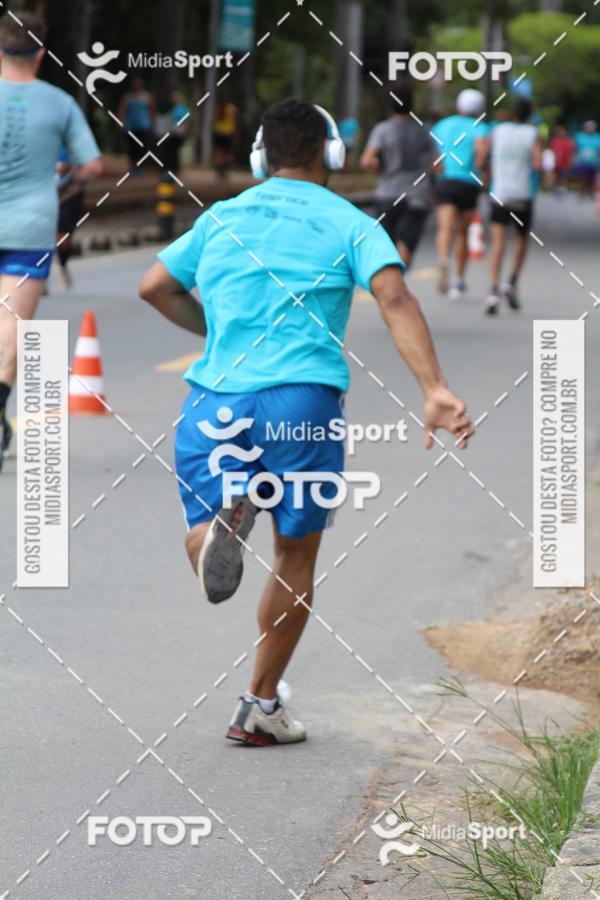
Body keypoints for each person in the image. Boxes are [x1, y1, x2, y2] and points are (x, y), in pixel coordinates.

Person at [139, 98, 474, 746]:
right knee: (294, 555)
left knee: (204, 529)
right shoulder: (351, 222)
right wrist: (433, 389)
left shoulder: (222, 216)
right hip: (302, 406)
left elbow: (154, 286)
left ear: (260, 157)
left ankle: (214, 533)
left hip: (214, 402)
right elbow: (394, 297)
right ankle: (259, 706)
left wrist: (218, 333)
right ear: (332, 154)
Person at [0, 13, 102, 471]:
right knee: (11, 326)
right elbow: (92, 165)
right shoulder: (60, 103)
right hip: (31, 228)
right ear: (42, 54)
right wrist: (61, 182)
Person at [360, 85, 435, 270]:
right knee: (407, 243)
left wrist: (376, 166)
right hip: (417, 195)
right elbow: (437, 164)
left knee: (387, 244)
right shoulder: (424, 130)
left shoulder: (382, 130)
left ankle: (391, 278)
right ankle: (399, 276)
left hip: (387, 193)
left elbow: (367, 160)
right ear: (412, 104)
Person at [482, 97, 541, 315]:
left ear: (512, 113)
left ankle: (493, 290)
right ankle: (512, 282)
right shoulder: (533, 133)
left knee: (498, 243)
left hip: (500, 194)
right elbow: (537, 163)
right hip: (523, 194)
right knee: (521, 240)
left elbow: (482, 158)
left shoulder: (497, 131)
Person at [431, 89, 488, 300]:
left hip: (445, 180)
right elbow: (481, 155)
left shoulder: (442, 125)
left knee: (445, 228)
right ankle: (458, 279)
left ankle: (443, 258)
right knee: (463, 232)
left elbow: (432, 153)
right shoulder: (480, 127)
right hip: (468, 183)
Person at [118, 77, 155, 171]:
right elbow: (122, 110)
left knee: (141, 147)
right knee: (131, 147)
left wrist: (152, 123)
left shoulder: (147, 96)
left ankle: (139, 167)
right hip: (130, 126)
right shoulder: (127, 97)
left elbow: (151, 111)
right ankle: (132, 166)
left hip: (143, 126)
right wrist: (121, 123)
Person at [154, 89, 189, 174]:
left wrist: (184, 130)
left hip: (178, 133)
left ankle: (175, 169)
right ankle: (167, 169)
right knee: (167, 152)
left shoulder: (183, 108)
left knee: (175, 152)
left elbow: (186, 121)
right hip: (169, 133)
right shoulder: (169, 108)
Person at [572, 120, 600, 198]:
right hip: (582, 161)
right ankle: (582, 191)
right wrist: (573, 159)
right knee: (582, 177)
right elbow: (574, 149)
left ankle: (590, 191)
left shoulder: (597, 137)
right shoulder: (579, 136)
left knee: (592, 178)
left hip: (594, 161)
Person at [212, 99, 239, 178]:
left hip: (218, 133)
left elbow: (214, 120)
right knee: (228, 154)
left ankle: (220, 170)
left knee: (219, 154)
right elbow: (236, 121)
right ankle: (224, 169)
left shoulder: (218, 109)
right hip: (228, 134)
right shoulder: (232, 108)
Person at [549, 125, 574, 193]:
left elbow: (571, 151)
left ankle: (563, 187)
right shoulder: (554, 141)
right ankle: (556, 187)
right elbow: (552, 151)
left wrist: (571, 159)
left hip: (565, 161)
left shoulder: (569, 141)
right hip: (556, 162)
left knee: (564, 175)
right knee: (557, 175)